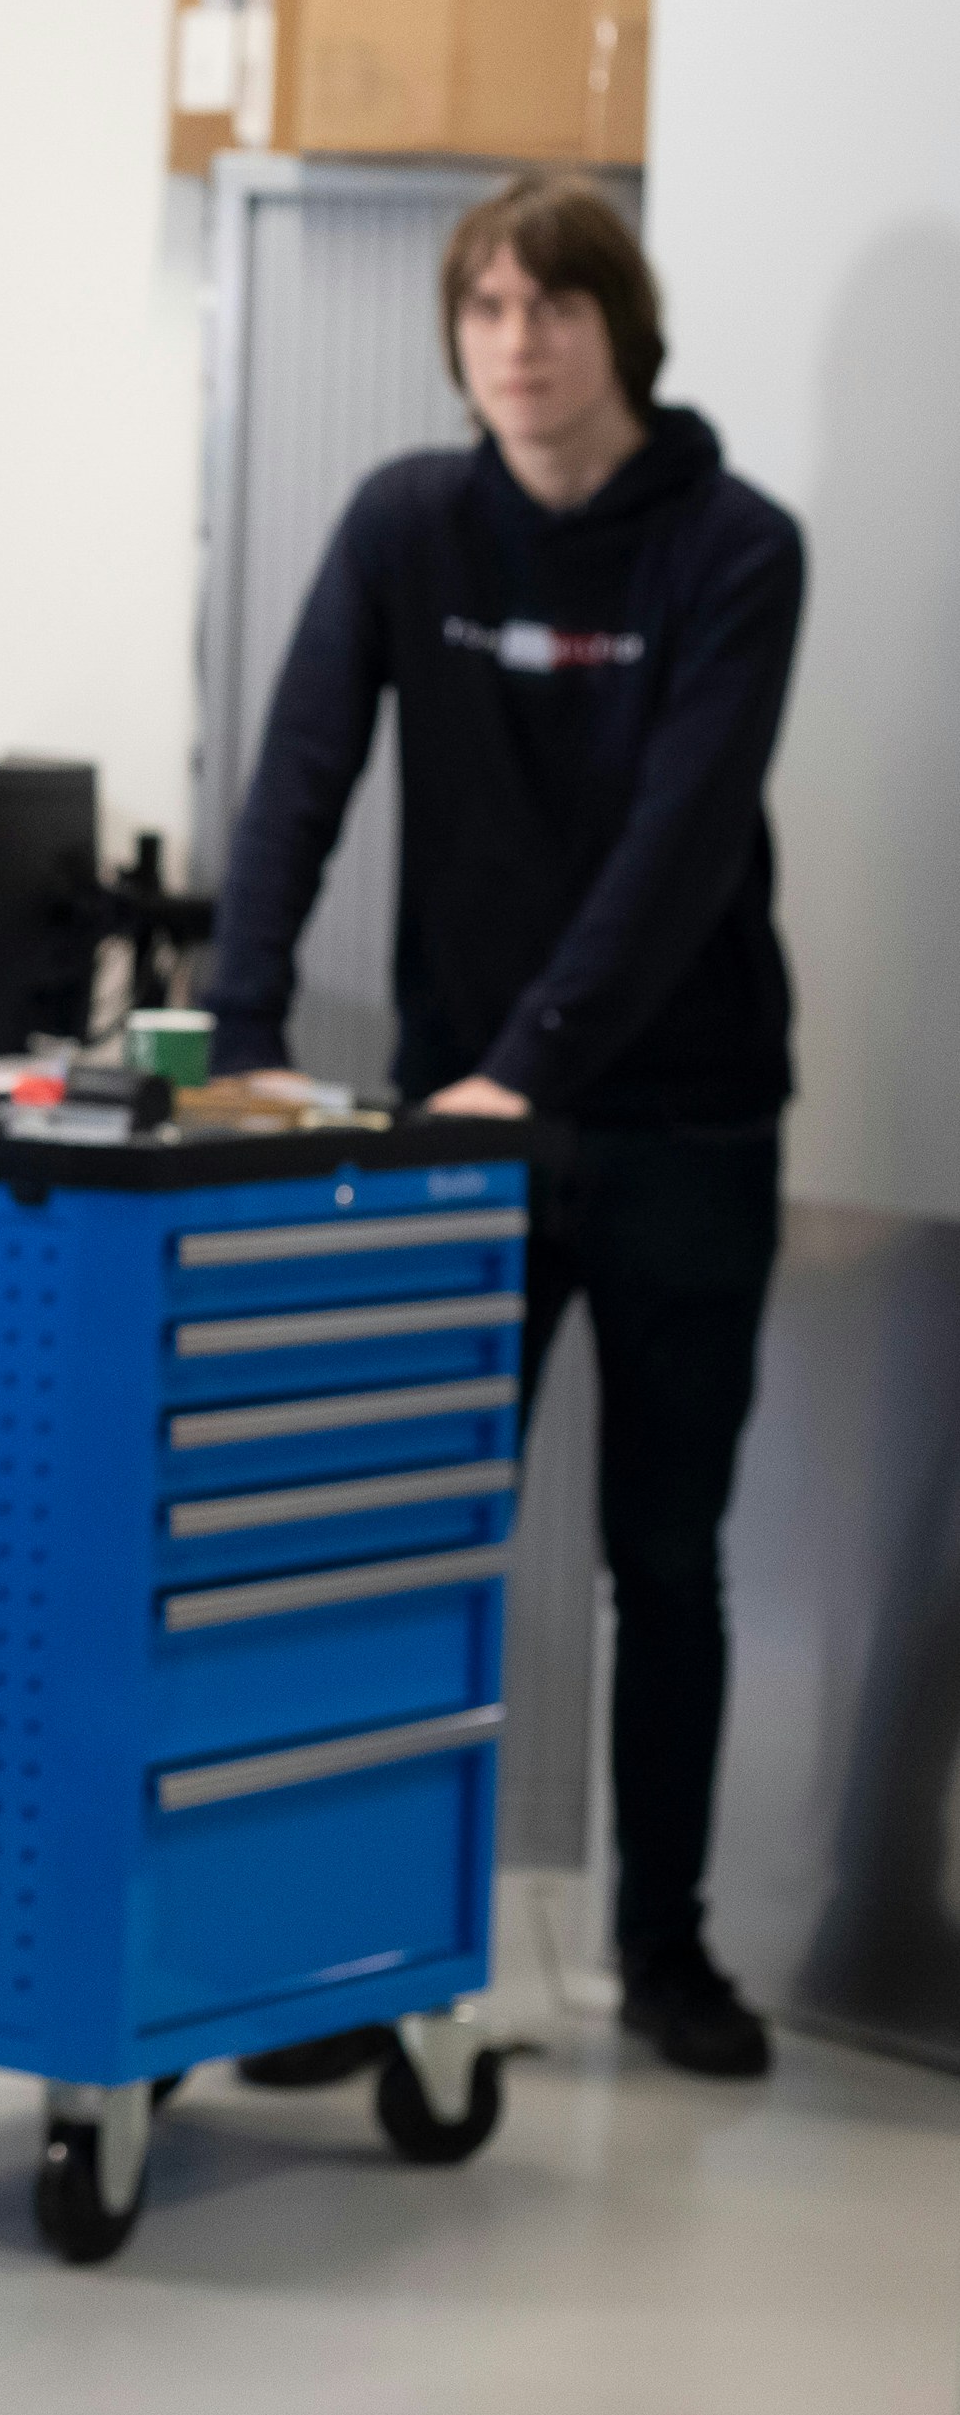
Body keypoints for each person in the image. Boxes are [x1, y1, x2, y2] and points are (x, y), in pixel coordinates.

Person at [205, 172, 804, 2083]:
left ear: (621, 329)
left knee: (667, 1554)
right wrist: (238, 1028)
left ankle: (671, 1952)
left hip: (683, 1122)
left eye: (552, 306)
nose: (516, 341)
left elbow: (680, 843)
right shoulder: (407, 522)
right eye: (484, 308)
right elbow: (297, 770)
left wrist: (527, 1063)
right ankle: (352, 1958)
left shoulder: (731, 549)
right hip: (467, 1130)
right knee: (409, 1544)